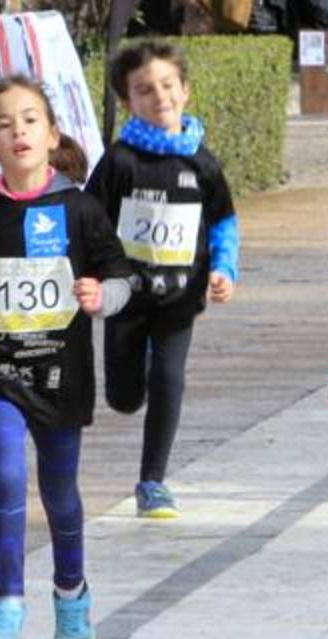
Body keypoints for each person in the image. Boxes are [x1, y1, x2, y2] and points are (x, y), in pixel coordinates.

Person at [0, 75, 132, 639]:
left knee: (60, 494)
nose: (18, 131)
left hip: (60, 376)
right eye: (3, 123)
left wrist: (101, 297)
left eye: (30, 120)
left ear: (52, 133)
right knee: (8, 476)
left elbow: (121, 276)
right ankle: (7, 601)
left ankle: (71, 594)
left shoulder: (79, 208)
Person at [86, 40, 240, 519]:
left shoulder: (203, 162)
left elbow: (223, 221)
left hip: (180, 295)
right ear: (127, 100)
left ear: (186, 91)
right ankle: (133, 375)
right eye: (144, 90)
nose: (160, 98)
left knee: (170, 378)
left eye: (167, 86)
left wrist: (223, 268)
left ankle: (152, 481)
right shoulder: (119, 160)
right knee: (125, 397)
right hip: (126, 296)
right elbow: (90, 219)